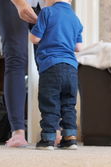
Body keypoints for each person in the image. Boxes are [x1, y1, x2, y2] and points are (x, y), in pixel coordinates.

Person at [29, 0, 83, 150]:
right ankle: (70, 138)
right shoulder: (75, 18)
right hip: (72, 68)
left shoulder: (47, 12)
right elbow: (78, 47)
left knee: (50, 103)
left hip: (51, 66)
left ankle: (48, 139)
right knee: (68, 105)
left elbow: (35, 39)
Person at [0, 0, 45, 148]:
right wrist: (20, 4)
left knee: (50, 61)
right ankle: (18, 132)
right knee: (15, 58)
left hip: (44, 4)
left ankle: (54, 128)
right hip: (10, 3)